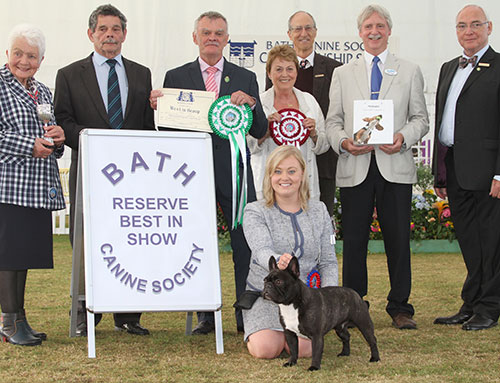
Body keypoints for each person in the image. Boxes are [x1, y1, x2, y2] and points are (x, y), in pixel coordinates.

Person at [149, 11, 267, 335]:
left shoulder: (245, 77)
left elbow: (260, 130)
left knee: (245, 244)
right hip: (192, 175)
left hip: (235, 174)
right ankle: (205, 314)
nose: (212, 37)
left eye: (218, 33)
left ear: (227, 39)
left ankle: (247, 316)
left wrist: (252, 105)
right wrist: (157, 107)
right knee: (197, 245)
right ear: (195, 37)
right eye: (206, 32)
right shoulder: (176, 76)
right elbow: (168, 131)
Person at [326, 4, 429, 330]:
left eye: (380, 26)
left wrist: (402, 136)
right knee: (354, 241)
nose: (374, 31)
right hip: (355, 165)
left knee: (398, 239)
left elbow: (421, 120)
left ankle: (400, 307)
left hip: (393, 165)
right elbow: (333, 122)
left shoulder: (409, 70)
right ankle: (355, 305)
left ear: (388, 31)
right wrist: (343, 142)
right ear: (359, 32)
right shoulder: (343, 73)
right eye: (368, 26)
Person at [54, 4, 154, 336]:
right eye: (102, 29)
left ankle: (128, 314)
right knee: (86, 239)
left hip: (132, 176)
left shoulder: (141, 73)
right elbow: (63, 122)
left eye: (115, 29)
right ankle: (84, 312)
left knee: (129, 236)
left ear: (124, 34)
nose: (109, 34)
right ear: (90, 34)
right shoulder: (69, 74)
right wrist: (95, 143)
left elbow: (146, 125)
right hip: (90, 171)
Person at [433, 4, 500, 331]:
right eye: (462, 26)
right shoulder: (449, 68)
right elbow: (441, 124)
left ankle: (489, 307)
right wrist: (439, 172)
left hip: (489, 174)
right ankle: (472, 302)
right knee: (470, 243)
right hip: (455, 169)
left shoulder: (499, 66)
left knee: (491, 243)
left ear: (489, 28)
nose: (469, 31)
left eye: (475, 25)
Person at [0, 24, 66, 346]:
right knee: (8, 255)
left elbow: (48, 130)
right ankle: (9, 323)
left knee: (22, 255)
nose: (23, 61)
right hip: (7, 185)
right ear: (7, 53)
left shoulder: (42, 90)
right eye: (18, 54)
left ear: (41, 60)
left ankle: (18, 318)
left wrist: (58, 139)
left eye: (31, 56)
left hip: (35, 186)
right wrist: (30, 145)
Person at [242, 145, 338, 358]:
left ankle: (290, 337)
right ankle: (269, 333)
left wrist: (330, 298)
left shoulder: (319, 210)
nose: (284, 177)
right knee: (265, 350)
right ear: (269, 176)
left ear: (303, 175)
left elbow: (329, 261)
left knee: (305, 351)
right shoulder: (254, 211)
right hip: (266, 295)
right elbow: (260, 250)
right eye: (277, 171)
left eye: (291, 171)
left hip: (305, 300)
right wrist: (277, 261)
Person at [266, 11, 342, 216]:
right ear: (289, 34)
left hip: (322, 162)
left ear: (316, 32)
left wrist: (316, 133)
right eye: (297, 29)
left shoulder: (335, 69)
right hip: (280, 163)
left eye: (308, 28)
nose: (303, 33)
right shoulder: (273, 78)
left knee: (320, 217)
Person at [249, 44, 329, 200]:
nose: (284, 74)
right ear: (269, 73)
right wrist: (264, 131)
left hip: (304, 187)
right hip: (268, 187)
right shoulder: (259, 103)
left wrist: (314, 134)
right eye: (278, 69)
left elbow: (324, 146)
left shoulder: (309, 101)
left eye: (290, 69)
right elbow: (250, 147)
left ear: (296, 72)